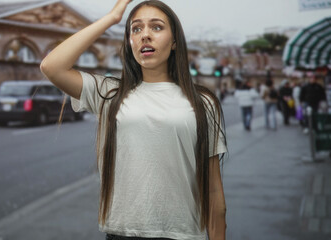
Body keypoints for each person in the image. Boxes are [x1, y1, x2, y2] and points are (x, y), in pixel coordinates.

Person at [40, 1, 227, 239]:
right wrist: (113, 17)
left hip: (185, 234)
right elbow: (51, 66)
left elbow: (213, 192)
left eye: (156, 27)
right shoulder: (110, 94)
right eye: (136, 29)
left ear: (174, 41)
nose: (145, 35)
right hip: (122, 233)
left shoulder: (202, 102)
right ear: (129, 42)